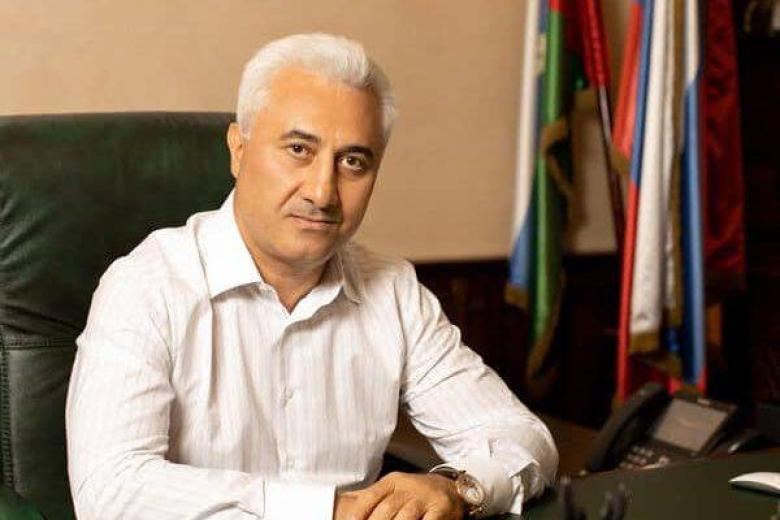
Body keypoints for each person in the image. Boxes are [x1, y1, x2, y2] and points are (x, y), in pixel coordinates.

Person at [66, 33, 558, 519]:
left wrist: (460, 488)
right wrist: (326, 510)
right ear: (238, 149)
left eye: (353, 161)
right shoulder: (146, 287)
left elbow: (523, 437)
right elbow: (109, 491)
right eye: (299, 149)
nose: (323, 192)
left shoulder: (393, 292)